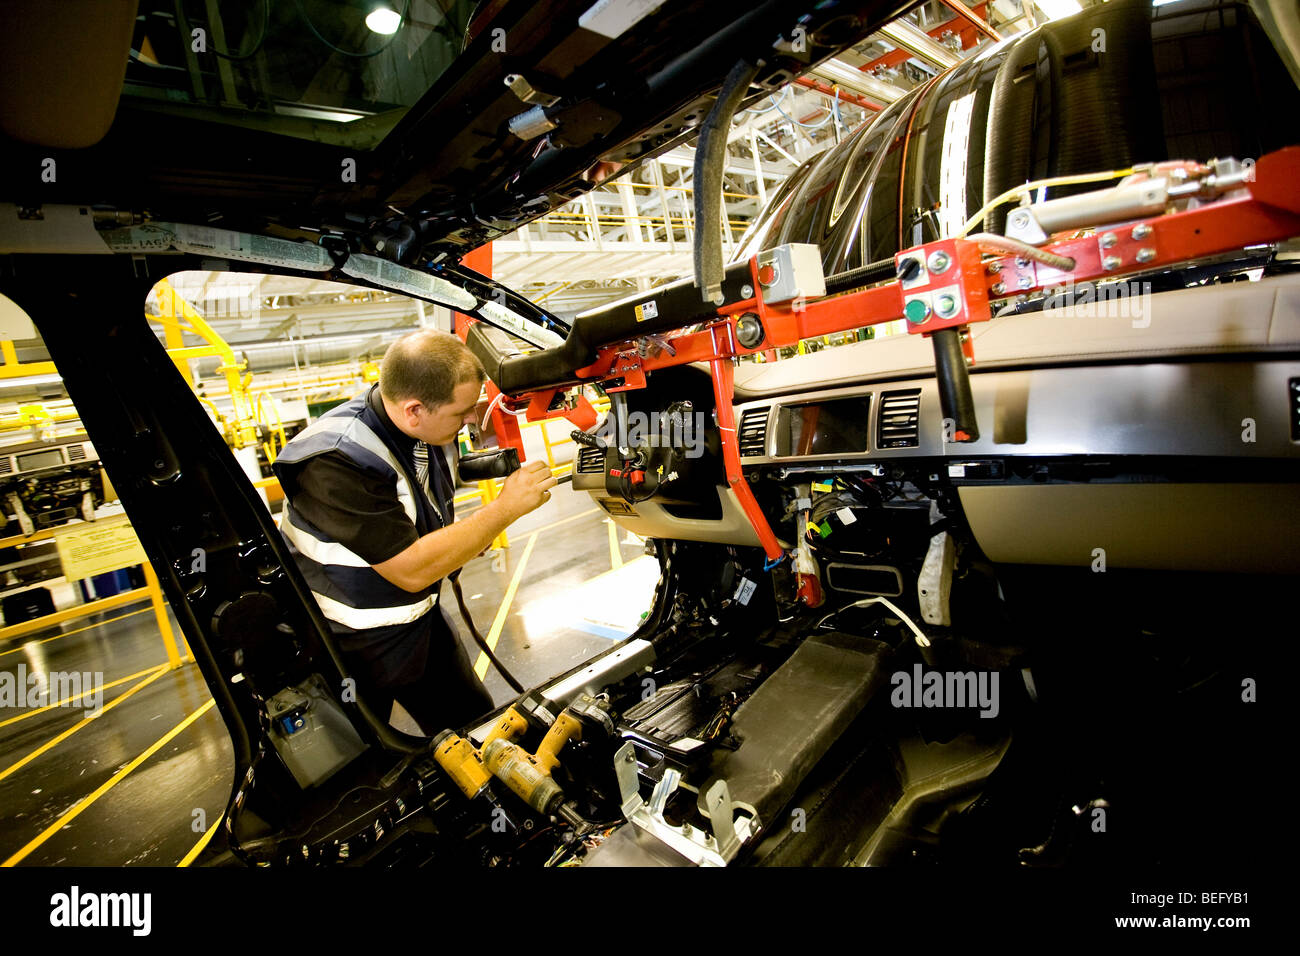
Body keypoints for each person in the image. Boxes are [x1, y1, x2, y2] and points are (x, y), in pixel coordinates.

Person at [272, 329, 556, 735]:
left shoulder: (426, 429)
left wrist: (460, 541)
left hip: (419, 620)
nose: (471, 420)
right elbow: (410, 569)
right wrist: (505, 508)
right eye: (462, 413)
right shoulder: (335, 459)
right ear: (414, 410)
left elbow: (415, 515)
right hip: (350, 643)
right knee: (369, 762)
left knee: (477, 728)